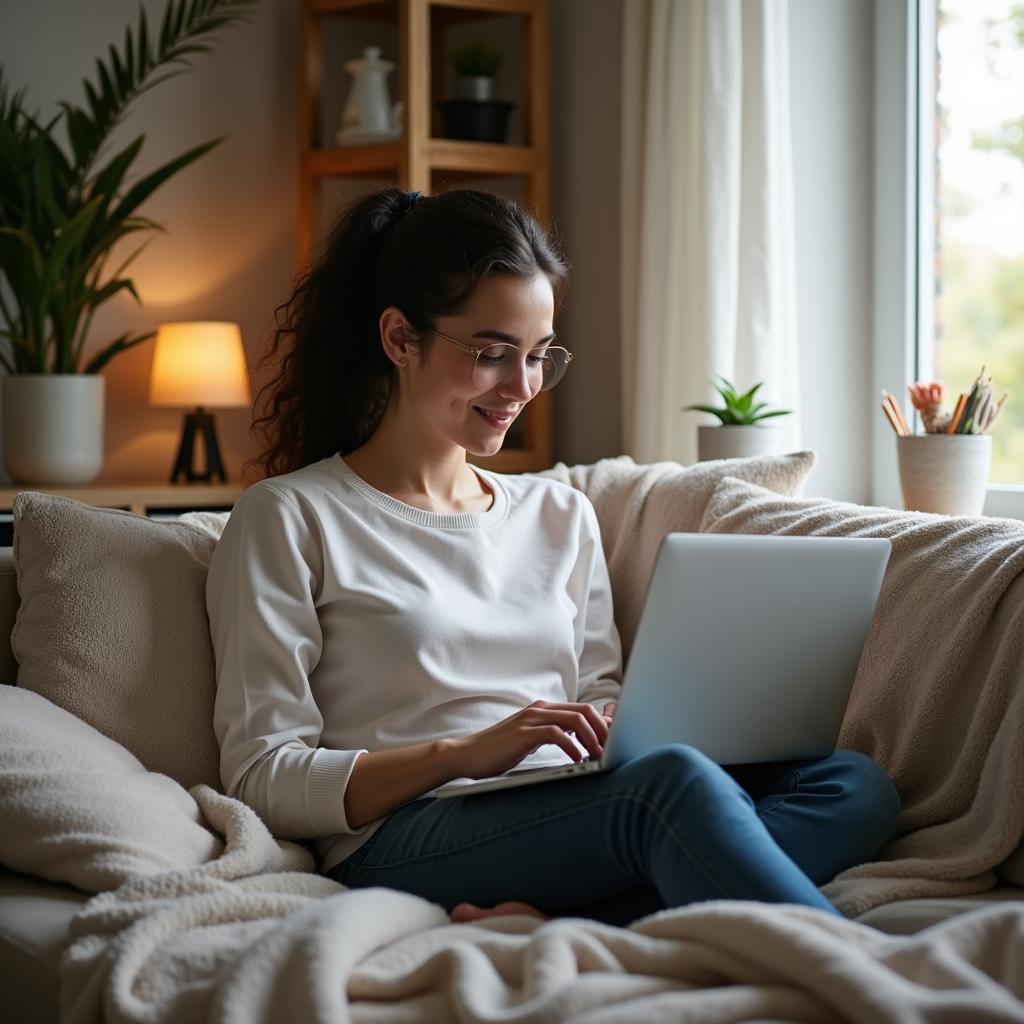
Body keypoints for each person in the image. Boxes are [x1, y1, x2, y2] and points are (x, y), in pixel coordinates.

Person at [205, 186, 901, 927]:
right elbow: (262, 774)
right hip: (407, 830)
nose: (522, 387)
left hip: (575, 808)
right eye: (491, 355)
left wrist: (622, 722)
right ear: (400, 338)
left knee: (851, 785)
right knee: (669, 790)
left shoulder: (558, 514)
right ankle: (857, 977)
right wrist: (464, 753)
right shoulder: (289, 515)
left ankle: (581, 912)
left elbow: (602, 693)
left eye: (539, 356)